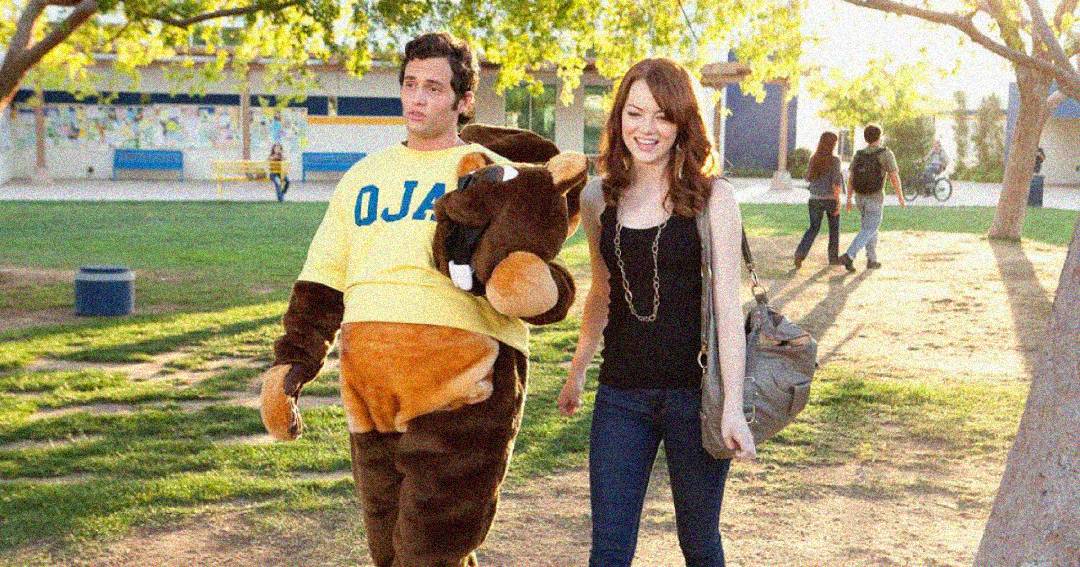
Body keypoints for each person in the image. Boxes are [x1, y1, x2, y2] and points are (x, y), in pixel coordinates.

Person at [557, 58, 755, 567]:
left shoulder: (715, 199)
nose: (646, 129)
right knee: (609, 552)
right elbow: (602, 290)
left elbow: (728, 311)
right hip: (621, 397)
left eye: (663, 116)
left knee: (701, 544)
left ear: (683, 123)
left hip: (694, 398)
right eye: (635, 113)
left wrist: (733, 404)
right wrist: (578, 371)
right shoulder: (599, 196)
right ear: (618, 115)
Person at [838, 124, 906, 272]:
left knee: (868, 228)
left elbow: (851, 178)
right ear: (879, 137)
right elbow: (894, 176)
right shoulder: (886, 154)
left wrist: (849, 198)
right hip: (875, 197)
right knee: (870, 228)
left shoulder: (859, 154)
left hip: (859, 197)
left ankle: (872, 260)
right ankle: (849, 255)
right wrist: (900, 196)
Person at [794, 131, 843, 268]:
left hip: (814, 199)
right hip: (830, 199)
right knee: (834, 229)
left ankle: (800, 254)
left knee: (813, 228)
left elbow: (808, 178)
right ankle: (833, 258)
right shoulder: (835, 161)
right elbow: (836, 183)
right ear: (833, 144)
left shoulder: (813, 158)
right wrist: (838, 201)